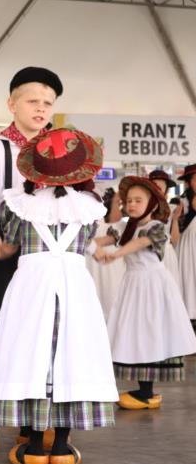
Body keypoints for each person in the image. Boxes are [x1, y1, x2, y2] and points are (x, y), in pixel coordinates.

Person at [0, 128, 118, 464]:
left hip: (31, 286)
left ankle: (31, 445)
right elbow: (88, 239)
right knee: (71, 356)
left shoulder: (18, 205)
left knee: (28, 354)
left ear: (35, 170)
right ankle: (60, 447)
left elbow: (10, 241)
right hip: (74, 287)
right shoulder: (90, 210)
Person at [0, 66, 63, 454]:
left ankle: (31, 425)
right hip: (4, 257)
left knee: (37, 338)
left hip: (42, 261)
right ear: (12, 104)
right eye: (33, 101)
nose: (41, 109)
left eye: (48, 103)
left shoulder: (60, 151)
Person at [93, 176, 196, 410]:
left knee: (149, 332)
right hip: (133, 284)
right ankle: (143, 389)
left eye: (138, 200)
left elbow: (140, 243)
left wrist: (116, 255)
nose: (131, 204)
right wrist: (82, 243)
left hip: (152, 286)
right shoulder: (126, 226)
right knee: (135, 333)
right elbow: (106, 238)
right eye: (129, 200)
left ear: (151, 204)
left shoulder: (155, 227)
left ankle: (147, 392)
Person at [85, 187, 126, 318]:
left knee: (113, 305)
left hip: (113, 273)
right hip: (93, 273)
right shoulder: (89, 225)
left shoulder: (120, 226)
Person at [149, 170, 182, 295]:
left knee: (169, 292)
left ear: (166, 190)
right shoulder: (142, 208)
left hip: (167, 254)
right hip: (147, 254)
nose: (157, 189)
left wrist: (175, 220)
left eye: (160, 187)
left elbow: (174, 240)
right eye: (154, 186)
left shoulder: (172, 209)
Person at [177, 164, 196, 324]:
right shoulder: (182, 200)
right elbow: (179, 225)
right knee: (189, 275)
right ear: (189, 182)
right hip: (188, 243)